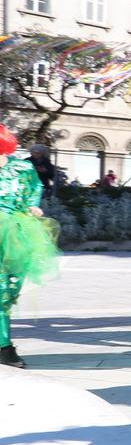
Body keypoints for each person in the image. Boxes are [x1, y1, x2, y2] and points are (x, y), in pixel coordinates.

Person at [0, 123, 59, 368]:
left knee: (9, 290)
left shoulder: (22, 167)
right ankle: (4, 346)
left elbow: (35, 188)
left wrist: (33, 205)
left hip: (16, 230)